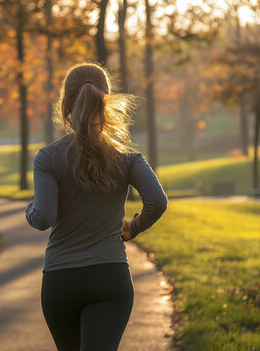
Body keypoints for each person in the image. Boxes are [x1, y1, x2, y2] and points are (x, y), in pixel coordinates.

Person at [25, 62, 168, 351]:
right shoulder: (128, 159)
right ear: (106, 102)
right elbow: (157, 201)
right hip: (110, 277)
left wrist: (30, 208)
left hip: (60, 279)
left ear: (66, 105)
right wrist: (132, 228)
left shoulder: (48, 158)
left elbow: (43, 217)